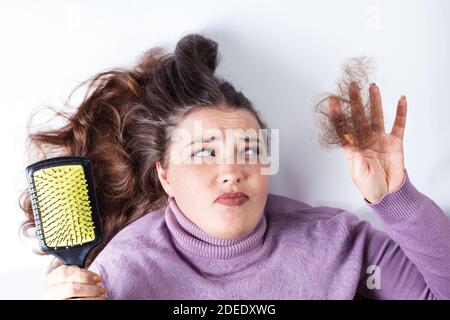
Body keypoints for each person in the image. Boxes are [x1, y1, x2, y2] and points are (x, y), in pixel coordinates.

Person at [20, 34, 450, 300]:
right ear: (165, 175)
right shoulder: (118, 275)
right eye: (205, 152)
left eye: (248, 149)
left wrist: (397, 198)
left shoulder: (338, 244)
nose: (231, 171)